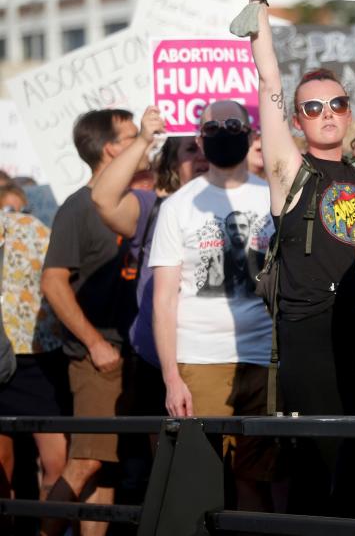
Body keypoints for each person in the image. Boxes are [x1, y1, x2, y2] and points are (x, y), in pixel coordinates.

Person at [234, 0, 355, 517]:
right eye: (314, 108)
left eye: (337, 103)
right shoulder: (291, 171)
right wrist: (256, 1)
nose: (329, 112)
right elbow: (268, 83)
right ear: (297, 121)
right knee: (327, 460)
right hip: (310, 330)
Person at [150, 100, 275, 512]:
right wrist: (172, 377)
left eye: (233, 124)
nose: (224, 130)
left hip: (263, 361)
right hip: (198, 361)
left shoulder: (273, 200)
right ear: (201, 140)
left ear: (252, 134)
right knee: (200, 484)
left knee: (255, 481)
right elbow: (164, 299)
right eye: (214, 126)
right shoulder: (177, 206)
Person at [40, 108, 140, 536]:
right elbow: (53, 281)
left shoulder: (141, 199)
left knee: (107, 468)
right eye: (134, 136)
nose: (145, 144)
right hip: (98, 358)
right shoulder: (78, 208)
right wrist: (94, 343)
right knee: (86, 461)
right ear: (112, 148)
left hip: (135, 355)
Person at [91, 108, 210, 417]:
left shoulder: (243, 204)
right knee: (165, 460)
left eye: (206, 146)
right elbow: (103, 198)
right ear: (172, 162)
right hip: (156, 363)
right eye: (189, 150)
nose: (200, 156)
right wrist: (144, 138)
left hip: (219, 358)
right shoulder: (152, 208)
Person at [0, 209, 69, 507]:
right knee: (2, 465)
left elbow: (63, 277)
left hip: (36, 354)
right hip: (4, 362)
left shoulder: (28, 227)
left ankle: (47, 528)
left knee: (56, 463)